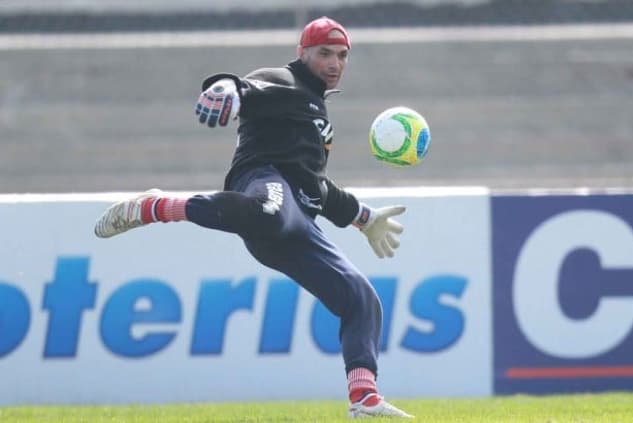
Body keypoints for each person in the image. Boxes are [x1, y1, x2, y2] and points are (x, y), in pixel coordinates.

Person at [94, 16, 413, 419]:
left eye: (342, 55)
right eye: (324, 53)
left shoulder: (318, 112)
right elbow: (245, 87)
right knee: (268, 211)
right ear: (303, 53)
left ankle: (363, 399)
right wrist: (224, 86)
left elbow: (317, 187)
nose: (334, 63)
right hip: (262, 183)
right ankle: (154, 206)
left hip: (296, 219)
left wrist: (364, 218)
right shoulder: (286, 79)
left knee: (361, 298)